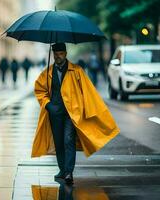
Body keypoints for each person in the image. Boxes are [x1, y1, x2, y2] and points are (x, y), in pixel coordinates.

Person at [32, 43, 119, 185]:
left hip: (71, 114)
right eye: (56, 54)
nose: (58, 56)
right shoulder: (47, 73)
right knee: (59, 142)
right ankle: (62, 170)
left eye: (60, 53)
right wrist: (48, 104)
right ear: (53, 54)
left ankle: (68, 172)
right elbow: (40, 90)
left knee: (68, 140)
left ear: (65, 54)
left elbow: (87, 91)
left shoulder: (77, 71)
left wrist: (87, 110)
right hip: (54, 113)